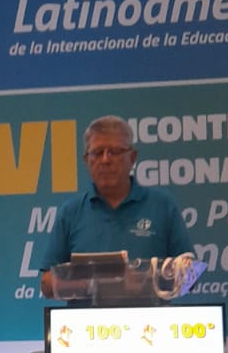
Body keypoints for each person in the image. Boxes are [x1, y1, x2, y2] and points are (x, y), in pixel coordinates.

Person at [39, 115, 194, 297]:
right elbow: (46, 284)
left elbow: (190, 278)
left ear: (132, 157)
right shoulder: (71, 212)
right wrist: (96, 285)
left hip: (148, 315)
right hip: (86, 316)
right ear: (86, 160)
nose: (106, 160)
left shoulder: (162, 205)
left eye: (115, 152)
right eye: (98, 153)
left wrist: (144, 279)